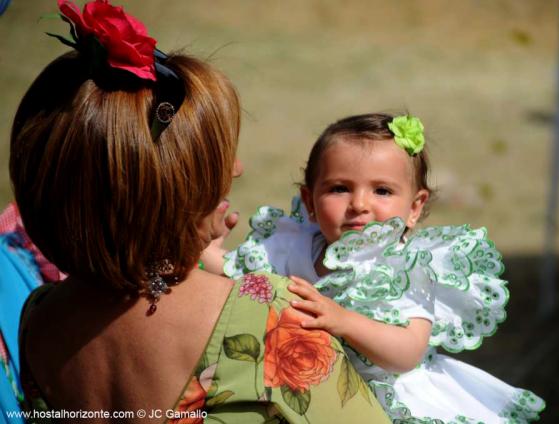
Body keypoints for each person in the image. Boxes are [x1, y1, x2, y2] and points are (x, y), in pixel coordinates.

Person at [11, 1, 392, 422]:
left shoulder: (38, 319)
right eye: (214, 160)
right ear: (170, 188)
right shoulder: (267, 314)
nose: (237, 169)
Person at [223, 113, 546, 423]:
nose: (359, 204)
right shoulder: (294, 245)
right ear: (309, 201)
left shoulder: (406, 266)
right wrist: (201, 250)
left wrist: (345, 321)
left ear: (414, 207)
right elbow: (238, 275)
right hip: (319, 395)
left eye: (382, 190)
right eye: (339, 188)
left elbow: (408, 352)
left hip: (396, 397)